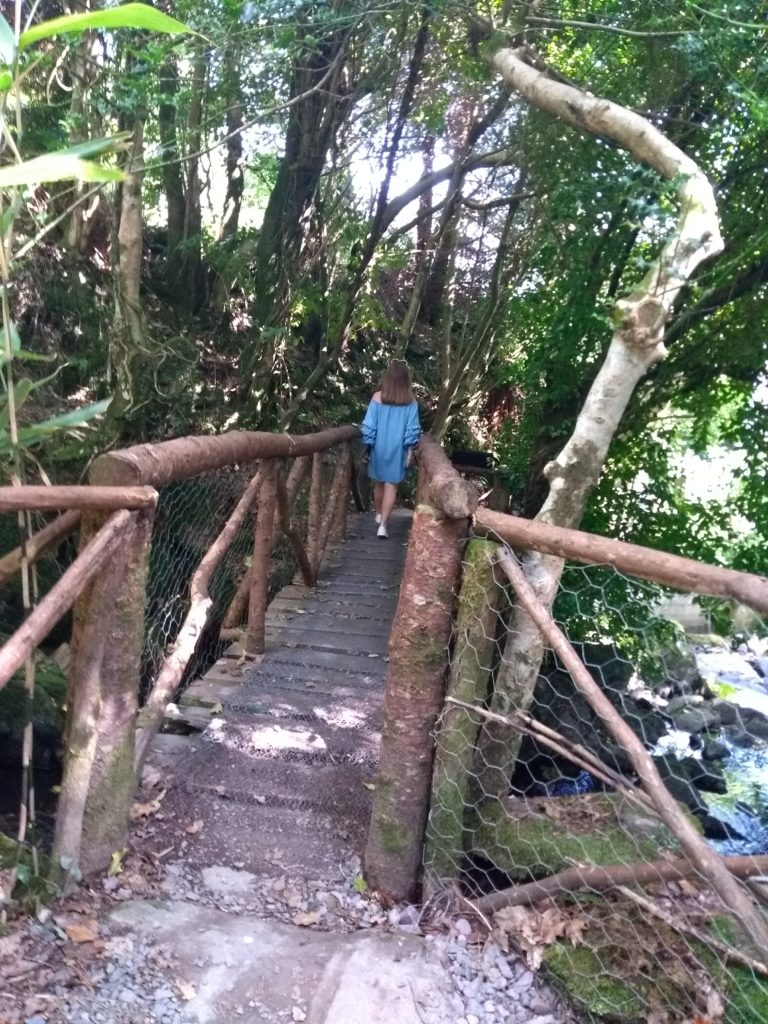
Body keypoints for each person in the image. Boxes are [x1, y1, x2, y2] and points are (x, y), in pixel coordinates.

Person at [361, 359, 421, 539]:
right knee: (391, 486)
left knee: (378, 482)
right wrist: (410, 451)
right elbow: (412, 429)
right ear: (406, 379)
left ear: (387, 377)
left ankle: (378, 513)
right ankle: (383, 525)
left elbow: (369, 426)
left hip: (379, 448)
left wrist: (368, 445)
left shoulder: (377, 398)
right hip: (398, 450)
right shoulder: (411, 402)